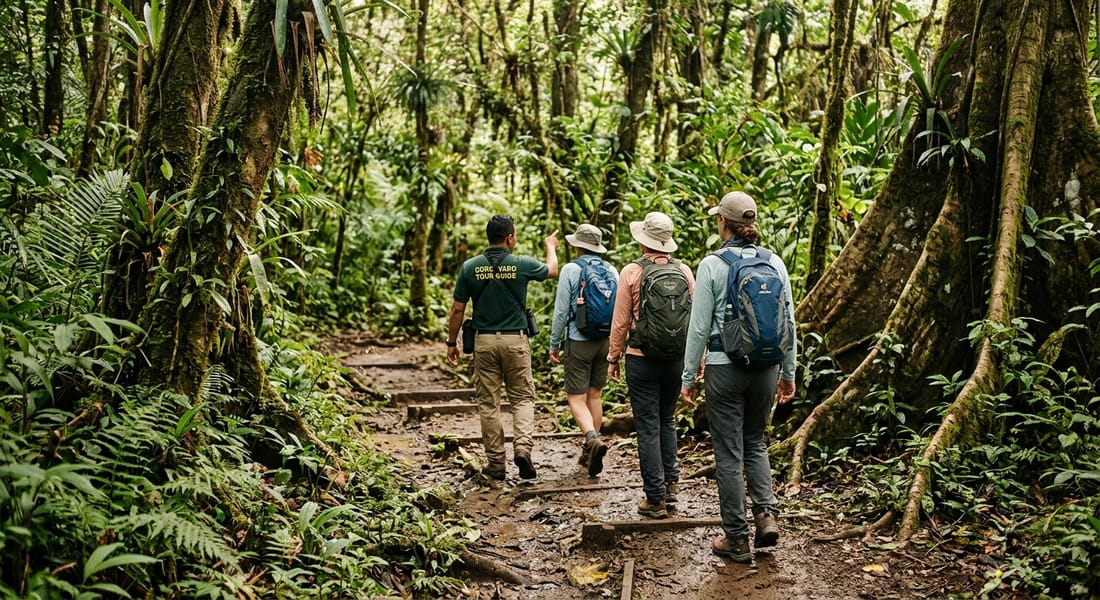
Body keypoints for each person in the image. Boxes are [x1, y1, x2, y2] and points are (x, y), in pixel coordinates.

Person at [679, 191, 797, 562]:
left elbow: (698, 329)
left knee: (729, 453)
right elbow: (789, 322)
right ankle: (766, 517)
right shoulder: (774, 262)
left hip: (723, 366)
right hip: (766, 368)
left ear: (723, 224)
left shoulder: (712, 265)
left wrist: (688, 378)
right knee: (756, 442)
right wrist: (788, 373)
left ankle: (736, 538)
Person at [446, 215, 559, 481]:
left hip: (484, 343)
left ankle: (496, 463)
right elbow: (551, 270)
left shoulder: (470, 267)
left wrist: (452, 342)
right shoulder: (520, 264)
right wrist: (551, 247)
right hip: (516, 341)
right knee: (522, 398)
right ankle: (522, 448)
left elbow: (457, 309)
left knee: (489, 403)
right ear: (509, 238)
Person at [607, 212, 695, 519]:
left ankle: (654, 498)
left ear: (643, 240)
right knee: (666, 419)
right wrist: (696, 362)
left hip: (640, 357)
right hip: (676, 358)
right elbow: (693, 319)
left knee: (647, 425)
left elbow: (620, 321)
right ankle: (671, 486)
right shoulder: (684, 271)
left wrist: (613, 357)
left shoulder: (631, 272)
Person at [549, 224, 619, 477]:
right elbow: (620, 310)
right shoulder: (612, 270)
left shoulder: (571, 269)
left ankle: (591, 439)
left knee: (576, 398)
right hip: (605, 340)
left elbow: (561, 312)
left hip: (579, 339)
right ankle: (591, 450)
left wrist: (554, 343)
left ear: (578, 246)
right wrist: (617, 346)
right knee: (595, 395)